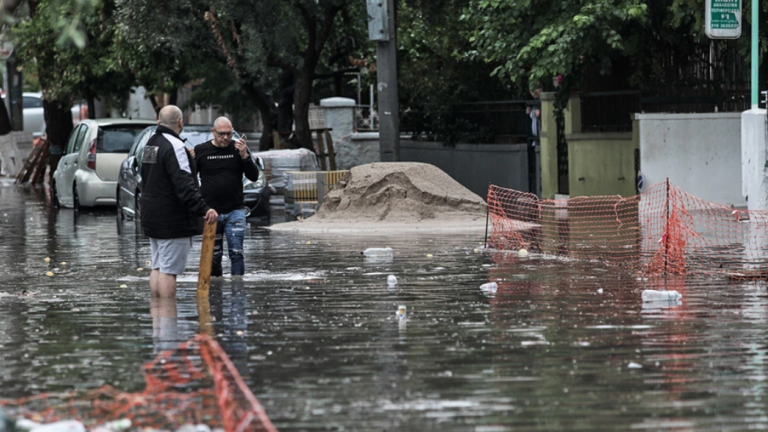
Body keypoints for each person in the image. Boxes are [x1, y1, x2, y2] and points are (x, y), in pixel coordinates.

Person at [140, 105, 218, 298]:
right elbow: (184, 184)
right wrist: (203, 208)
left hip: (152, 215)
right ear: (180, 122)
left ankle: (158, 318)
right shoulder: (175, 146)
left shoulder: (151, 143)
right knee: (169, 271)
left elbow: (150, 176)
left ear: (159, 122)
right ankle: (167, 319)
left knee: (158, 267)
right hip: (172, 219)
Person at [194, 117, 260, 277]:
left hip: (235, 211)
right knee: (214, 257)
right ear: (213, 132)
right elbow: (190, 178)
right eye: (222, 134)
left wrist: (245, 156)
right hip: (211, 213)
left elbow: (254, 176)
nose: (225, 138)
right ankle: (216, 292)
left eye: (229, 134)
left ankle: (238, 290)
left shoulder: (238, 149)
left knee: (236, 252)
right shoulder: (201, 150)